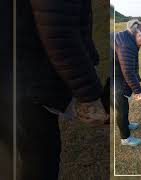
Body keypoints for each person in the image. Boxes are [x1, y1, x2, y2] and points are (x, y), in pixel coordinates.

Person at [17, 0, 108, 179]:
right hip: (24, 75)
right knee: (40, 157)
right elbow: (58, 31)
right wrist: (89, 97)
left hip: (24, 70)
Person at [109, 19, 141, 146]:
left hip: (116, 70)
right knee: (120, 104)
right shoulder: (126, 44)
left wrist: (137, 78)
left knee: (123, 100)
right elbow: (128, 71)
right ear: (139, 35)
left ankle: (126, 124)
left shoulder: (130, 40)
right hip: (111, 74)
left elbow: (132, 64)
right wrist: (138, 91)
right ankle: (125, 138)